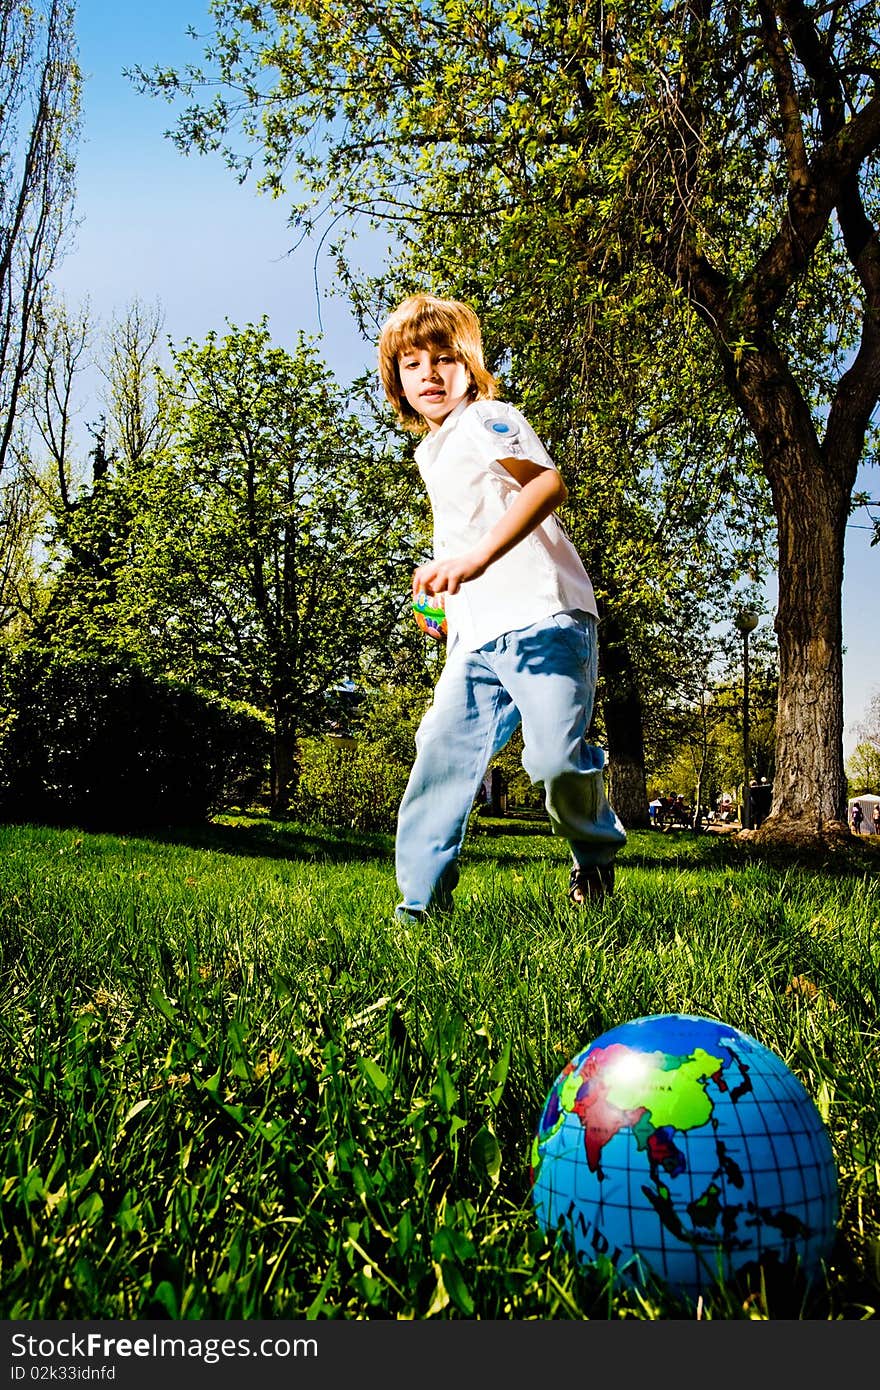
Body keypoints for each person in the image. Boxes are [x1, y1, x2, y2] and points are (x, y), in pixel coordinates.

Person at [377, 292, 626, 921]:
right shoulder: (428, 450)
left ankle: (593, 865)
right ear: (396, 379)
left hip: (546, 617)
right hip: (476, 638)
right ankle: (418, 909)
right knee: (439, 753)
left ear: (470, 367)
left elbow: (545, 484)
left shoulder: (490, 418)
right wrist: (440, 593)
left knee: (553, 758)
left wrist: (478, 560)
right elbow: (464, 532)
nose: (429, 374)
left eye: (443, 359)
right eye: (412, 364)